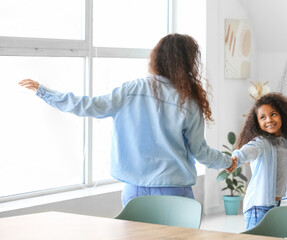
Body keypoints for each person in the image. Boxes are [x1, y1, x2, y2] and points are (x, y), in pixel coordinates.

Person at [19, 33, 237, 207]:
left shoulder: (131, 90)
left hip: (134, 190)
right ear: (188, 63)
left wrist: (45, 93)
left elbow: (89, 106)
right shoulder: (188, 101)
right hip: (173, 191)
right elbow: (200, 152)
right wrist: (227, 162)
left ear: (158, 59)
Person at [231, 92, 287, 230]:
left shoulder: (284, 142)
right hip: (258, 206)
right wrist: (236, 158)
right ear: (257, 123)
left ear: (282, 115)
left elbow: (278, 158)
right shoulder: (261, 143)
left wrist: (285, 163)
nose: (269, 120)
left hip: (273, 204)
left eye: (273, 114)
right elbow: (247, 151)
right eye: (263, 117)